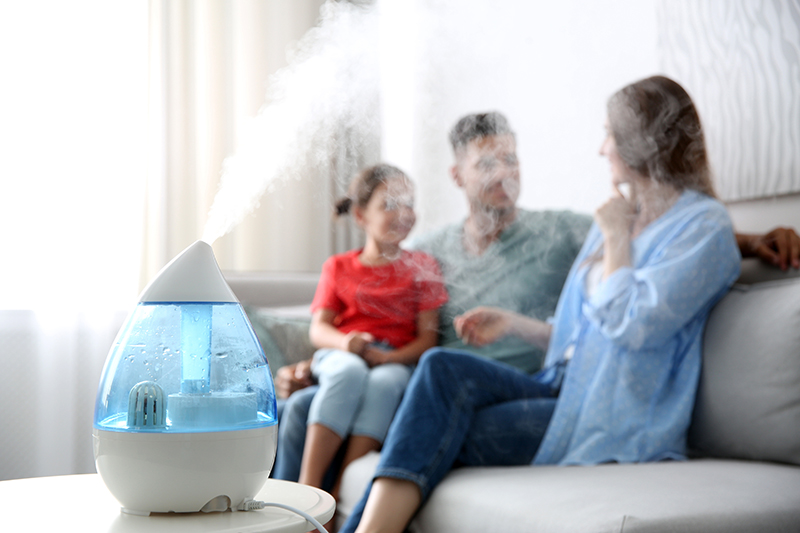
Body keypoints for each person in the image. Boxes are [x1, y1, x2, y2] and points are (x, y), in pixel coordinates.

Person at [339, 75, 744, 533]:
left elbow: (632, 326)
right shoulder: (623, 217)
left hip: (610, 417)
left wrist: (616, 238)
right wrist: (514, 323)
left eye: (609, 134)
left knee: (427, 428)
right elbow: (583, 335)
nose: (602, 149)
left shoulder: (700, 227)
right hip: (561, 386)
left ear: (642, 141)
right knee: (439, 367)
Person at [291, 163, 448, 502]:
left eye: (409, 203)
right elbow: (319, 329)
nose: (403, 213)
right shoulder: (338, 266)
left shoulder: (424, 267)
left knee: (385, 383)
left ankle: (340, 492)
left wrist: (389, 358)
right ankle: (309, 488)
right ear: (361, 215)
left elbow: (427, 340)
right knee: (348, 372)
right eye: (389, 204)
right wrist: (346, 343)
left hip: (395, 360)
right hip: (342, 354)